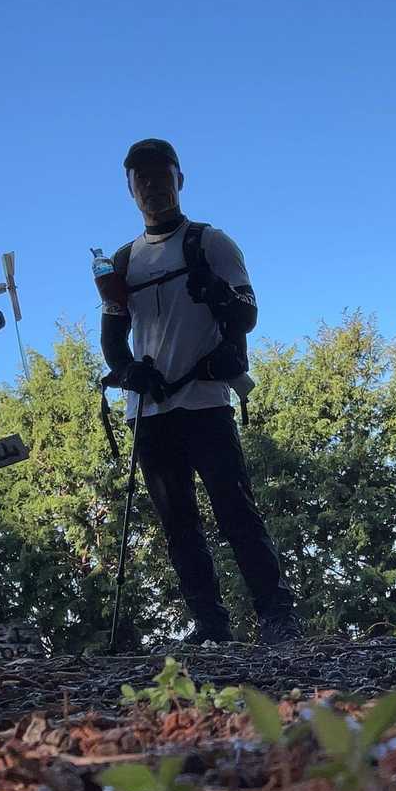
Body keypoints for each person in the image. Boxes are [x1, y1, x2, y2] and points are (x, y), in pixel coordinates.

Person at [100, 138, 302, 647]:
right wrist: (127, 371)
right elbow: (112, 336)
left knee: (237, 512)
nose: (152, 186)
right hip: (149, 411)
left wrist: (215, 291)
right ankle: (211, 625)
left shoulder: (211, 243)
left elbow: (247, 314)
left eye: (161, 176)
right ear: (130, 189)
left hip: (206, 399)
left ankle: (277, 618)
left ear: (180, 181)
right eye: (142, 179)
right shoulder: (122, 261)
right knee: (178, 525)